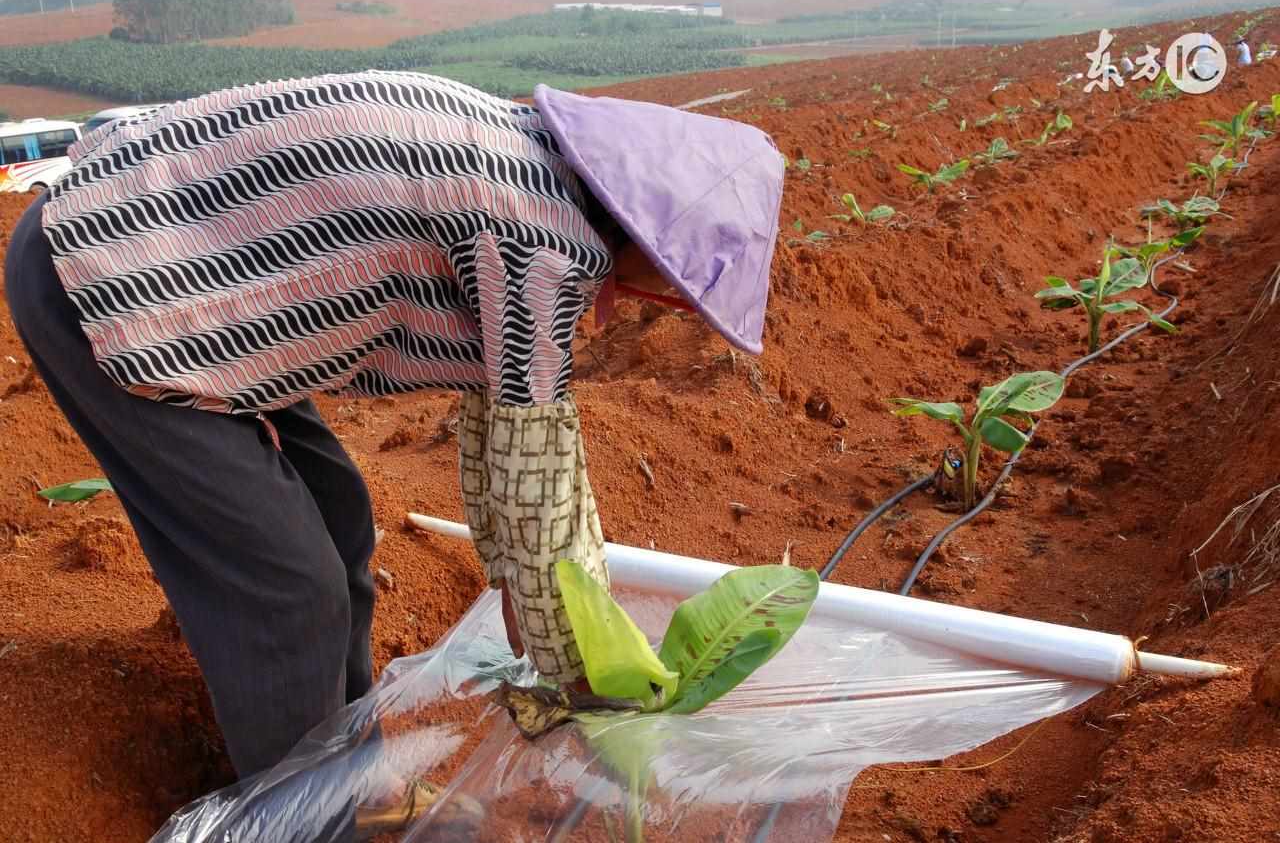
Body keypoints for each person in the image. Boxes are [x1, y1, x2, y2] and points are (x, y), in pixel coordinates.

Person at [3, 71, 783, 835]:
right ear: (650, 233)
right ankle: (305, 826)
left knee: (339, 525)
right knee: (289, 589)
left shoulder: (535, 172)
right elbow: (531, 458)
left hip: (182, 274)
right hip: (110, 278)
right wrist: (574, 657)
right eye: (684, 279)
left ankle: (348, 787)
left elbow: (504, 423)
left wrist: (522, 585)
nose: (676, 299)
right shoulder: (544, 243)